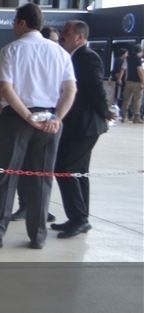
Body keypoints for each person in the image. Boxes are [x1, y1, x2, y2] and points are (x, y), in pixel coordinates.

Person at [0, 3, 77, 250]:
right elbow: (70, 89)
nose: (13, 28)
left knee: (8, 176)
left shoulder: (11, 49)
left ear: (22, 23)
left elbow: (7, 88)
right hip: (49, 120)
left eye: (14, 23)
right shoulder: (60, 52)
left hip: (17, 120)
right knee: (42, 180)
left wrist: (26, 116)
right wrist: (57, 118)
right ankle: (38, 236)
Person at [52, 21, 111, 238]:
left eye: (66, 32)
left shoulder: (87, 57)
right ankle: (79, 217)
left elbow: (97, 88)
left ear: (79, 37)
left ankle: (79, 218)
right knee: (79, 172)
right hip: (78, 125)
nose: (62, 36)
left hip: (86, 126)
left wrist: (105, 111)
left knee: (64, 168)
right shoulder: (72, 57)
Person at [121, 44, 143, 124]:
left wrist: (120, 78)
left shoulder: (128, 58)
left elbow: (123, 69)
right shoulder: (138, 59)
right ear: (140, 51)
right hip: (137, 82)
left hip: (128, 81)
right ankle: (136, 117)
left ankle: (124, 117)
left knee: (126, 100)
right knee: (137, 100)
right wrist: (143, 82)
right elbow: (140, 71)